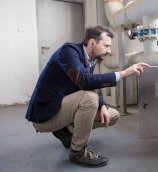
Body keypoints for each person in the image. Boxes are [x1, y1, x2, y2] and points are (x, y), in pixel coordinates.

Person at [25, 25, 149, 167]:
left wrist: (102, 105)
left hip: (61, 106)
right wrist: (123, 73)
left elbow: (86, 85)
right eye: (106, 46)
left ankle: (65, 132)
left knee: (112, 114)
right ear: (92, 43)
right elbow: (84, 82)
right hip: (45, 114)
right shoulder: (68, 52)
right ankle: (78, 151)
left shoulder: (90, 60)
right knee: (89, 98)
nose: (109, 51)